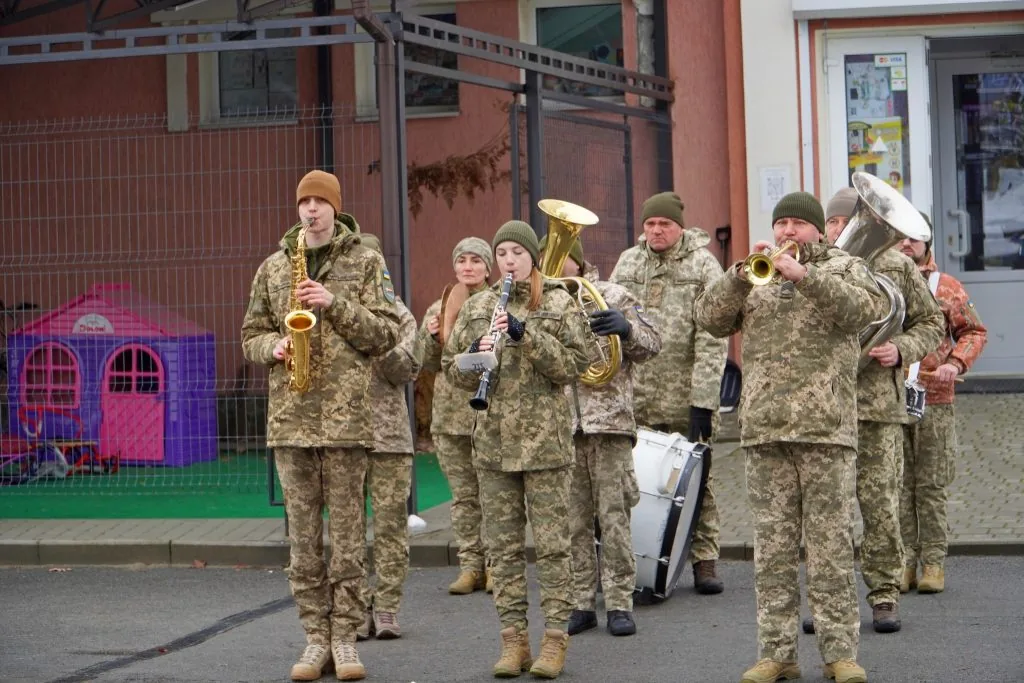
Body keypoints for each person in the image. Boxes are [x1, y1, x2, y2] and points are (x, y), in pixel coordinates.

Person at [695, 192, 887, 683]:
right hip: (764, 430)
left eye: (797, 225)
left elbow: (860, 312)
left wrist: (806, 277)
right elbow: (709, 320)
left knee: (830, 549)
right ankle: (777, 654)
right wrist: (736, 278)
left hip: (825, 430)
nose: (786, 233)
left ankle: (839, 654)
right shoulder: (757, 274)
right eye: (781, 223)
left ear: (818, 231)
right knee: (774, 550)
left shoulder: (845, 267)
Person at [241, 170, 401, 682]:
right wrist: (276, 347)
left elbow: (386, 334)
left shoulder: (366, 260)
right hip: (291, 422)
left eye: (320, 202)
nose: (311, 210)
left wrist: (336, 305)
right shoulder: (273, 268)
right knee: (303, 541)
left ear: (335, 207)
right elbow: (250, 335)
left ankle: (345, 640)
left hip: (347, 423)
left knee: (349, 538)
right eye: (304, 202)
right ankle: (314, 638)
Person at [443, 220, 590, 680]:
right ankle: (513, 641)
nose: (509, 261)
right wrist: (475, 353)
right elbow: (452, 370)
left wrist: (527, 336)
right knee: (502, 551)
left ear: (532, 259)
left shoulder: (559, 302)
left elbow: (576, 365)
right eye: (502, 253)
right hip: (492, 447)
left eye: (517, 253)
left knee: (551, 549)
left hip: (545, 447)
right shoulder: (479, 305)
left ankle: (554, 641)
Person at [802, 188, 944, 635]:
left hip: (878, 408)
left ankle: (884, 597)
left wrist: (900, 349)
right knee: (829, 512)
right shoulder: (813, 267)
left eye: (846, 220)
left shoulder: (898, 266)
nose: (839, 228)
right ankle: (829, 602)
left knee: (881, 506)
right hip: (826, 407)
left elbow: (933, 324)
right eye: (833, 222)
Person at [538, 235, 662, 638]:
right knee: (572, 522)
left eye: (558, 258)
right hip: (562, 427)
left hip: (608, 424)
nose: (552, 265)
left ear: (577, 261)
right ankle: (580, 602)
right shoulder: (541, 301)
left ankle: (620, 602)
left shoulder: (612, 294)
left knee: (614, 517)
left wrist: (626, 330)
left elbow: (652, 344)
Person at [609, 191, 728, 594]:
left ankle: (705, 560)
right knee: (635, 479)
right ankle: (641, 558)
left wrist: (703, 400)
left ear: (679, 227)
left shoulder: (702, 264)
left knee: (699, 478)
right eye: (650, 224)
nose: (656, 231)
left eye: (665, 224)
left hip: (684, 393)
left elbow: (713, 336)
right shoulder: (628, 261)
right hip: (636, 393)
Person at [898, 220, 987, 594]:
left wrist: (955, 363)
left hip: (934, 400)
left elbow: (973, 331)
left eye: (913, 237)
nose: (905, 243)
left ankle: (933, 561)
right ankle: (903, 559)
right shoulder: (880, 280)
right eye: (899, 235)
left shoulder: (946, 287)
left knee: (930, 485)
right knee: (897, 485)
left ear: (926, 241)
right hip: (889, 398)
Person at [416, 237, 495, 595]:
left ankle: (497, 566)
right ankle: (471, 566)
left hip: (491, 414)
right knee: (463, 497)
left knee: (494, 495)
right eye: (462, 260)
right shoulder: (440, 307)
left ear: (487, 267)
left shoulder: (500, 304)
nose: (468, 267)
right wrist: (431, 338)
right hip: (450, 418)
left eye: (476, 261)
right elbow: (426, 363)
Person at [354, 234, 421, 641]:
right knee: (349, 529)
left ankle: (388, 608)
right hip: (346, 435)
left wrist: (374, 341)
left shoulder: (399, 316)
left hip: (391, 437)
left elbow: (405, 368)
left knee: (391, 526)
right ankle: (357, 606)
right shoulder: (331, 312)